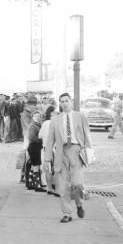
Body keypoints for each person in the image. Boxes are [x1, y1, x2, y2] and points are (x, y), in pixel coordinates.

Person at [43, 93, 93, 223]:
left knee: (77, 183)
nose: (64, 103)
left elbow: (87, 135)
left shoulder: (80, 116)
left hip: (76, 151)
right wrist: (47, 159)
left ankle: (79, 203)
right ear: (60, 104)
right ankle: (67, 213)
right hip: (61, 152)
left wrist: (89, 151)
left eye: (66, 101)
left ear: (71, 101)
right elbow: (50, 141)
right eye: (62, 101)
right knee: (63, 185)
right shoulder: (55, 120)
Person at [39, 105, 59, 196]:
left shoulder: (44, 123)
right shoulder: (54, 123)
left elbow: (40, 136)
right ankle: (55, 188)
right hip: (52, 148)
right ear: (51, 113)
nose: (57, 114)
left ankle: (49, 188)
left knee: (48, 169)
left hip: (45, 148)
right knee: (55, 169)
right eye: (55, 112)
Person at [26, 110, 46, 192]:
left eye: (39, 116)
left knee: (33, 166)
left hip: (36, 147)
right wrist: (42, 140)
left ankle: (31, 184)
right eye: (36, 116)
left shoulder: (38, 125)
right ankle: (37, 186)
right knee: (36, 166)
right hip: (34, 147)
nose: (38, 117)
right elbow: (31, 138)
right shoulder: (32, 126)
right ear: (33, 117)